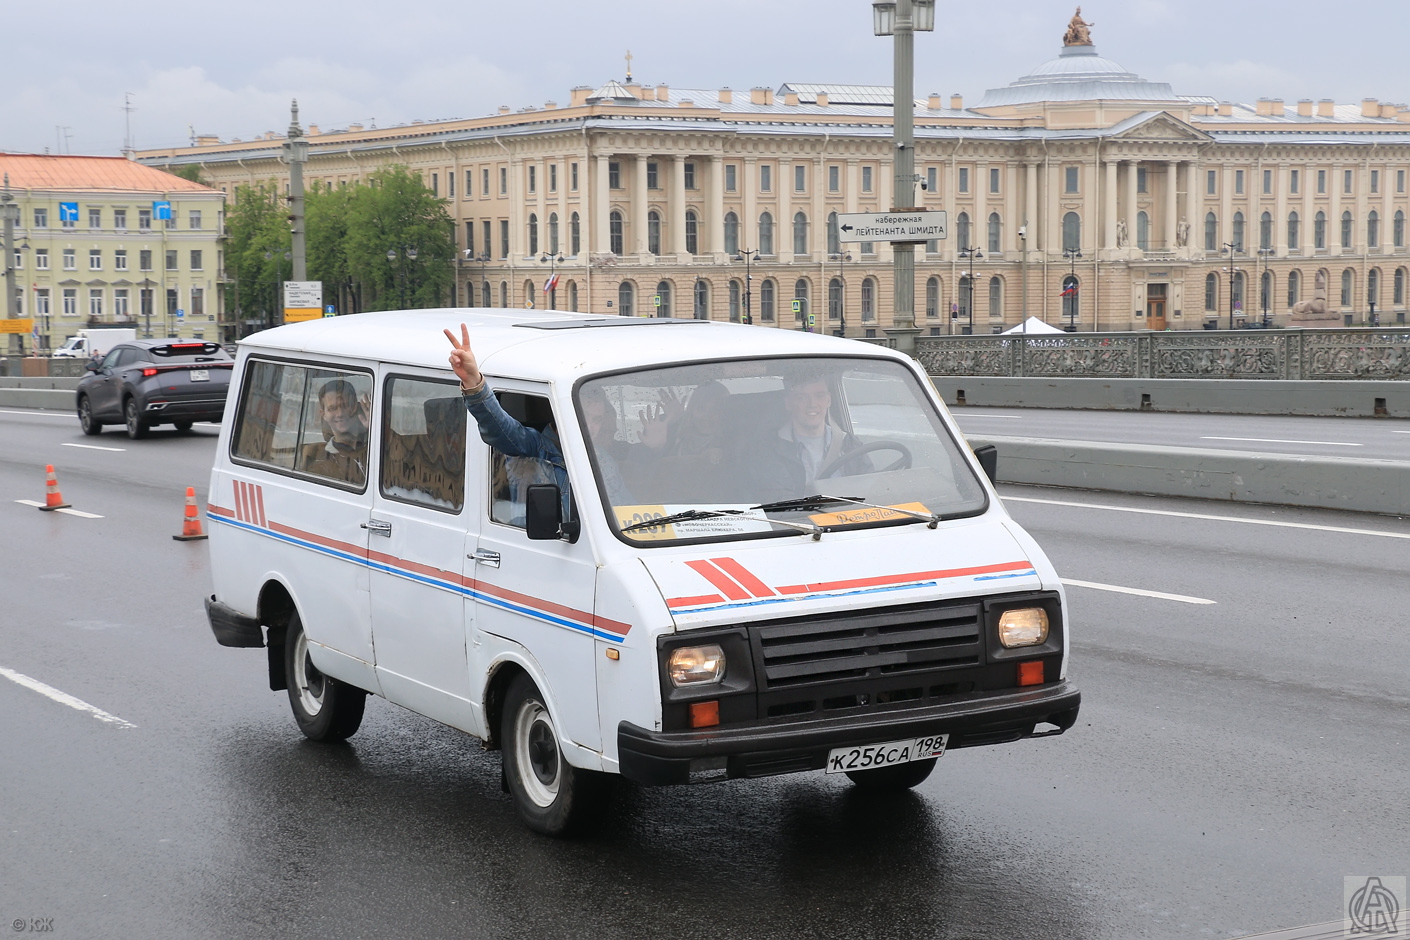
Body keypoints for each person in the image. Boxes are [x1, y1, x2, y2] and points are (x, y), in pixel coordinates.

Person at [444, 323, 633, 519]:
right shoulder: (535, 448)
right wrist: (474, 384)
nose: (592, 427)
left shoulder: (602, 459)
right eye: (586, 417)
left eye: (598, 419)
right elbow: (500, 429)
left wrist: (658, 444)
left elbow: (627, 510)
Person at [751, 374, 868, 501]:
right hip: (797, 520)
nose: (812, 404)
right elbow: (780, 502)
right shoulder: (770, 450)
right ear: (789, 403)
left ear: (828, 400)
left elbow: (871, 491)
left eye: (819, 396)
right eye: (802, 397)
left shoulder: (850, 444)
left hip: (852, 518)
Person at [304, 379, 370, 484]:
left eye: (345, 405)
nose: (340, 413)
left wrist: (375, 429)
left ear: (355, 406)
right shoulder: (322, 463)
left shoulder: (374, 443)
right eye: (332, 408)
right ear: (323, 414)